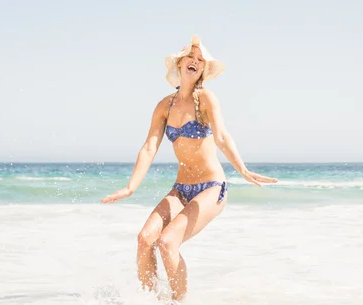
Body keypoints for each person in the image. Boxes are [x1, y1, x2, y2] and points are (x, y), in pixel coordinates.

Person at [100, 36, 277, 301]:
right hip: (181, 189)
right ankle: (150, 298)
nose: (194, 61)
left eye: (200, 59)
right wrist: (130, 187)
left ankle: (179, 301)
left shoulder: (205, 98)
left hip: (211, 188)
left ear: (203, 69)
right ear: (180, 63)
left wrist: (243, 170)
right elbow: (149, 146)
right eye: (190, 57)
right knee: (145, 239)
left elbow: (222, 137)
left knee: (167, 241)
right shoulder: (164, 106)